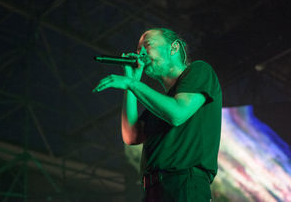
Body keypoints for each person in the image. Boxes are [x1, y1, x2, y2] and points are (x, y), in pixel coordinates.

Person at [93, 28, 222, 201]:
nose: (141, 53)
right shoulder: (160, 104)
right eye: (138, 50)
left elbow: (177, 113)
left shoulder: (199, 70)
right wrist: (132, 81)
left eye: (148, 45)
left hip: (184, 185)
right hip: (154, 190)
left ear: (174, 48)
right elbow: (131, 136)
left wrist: (132, 84)